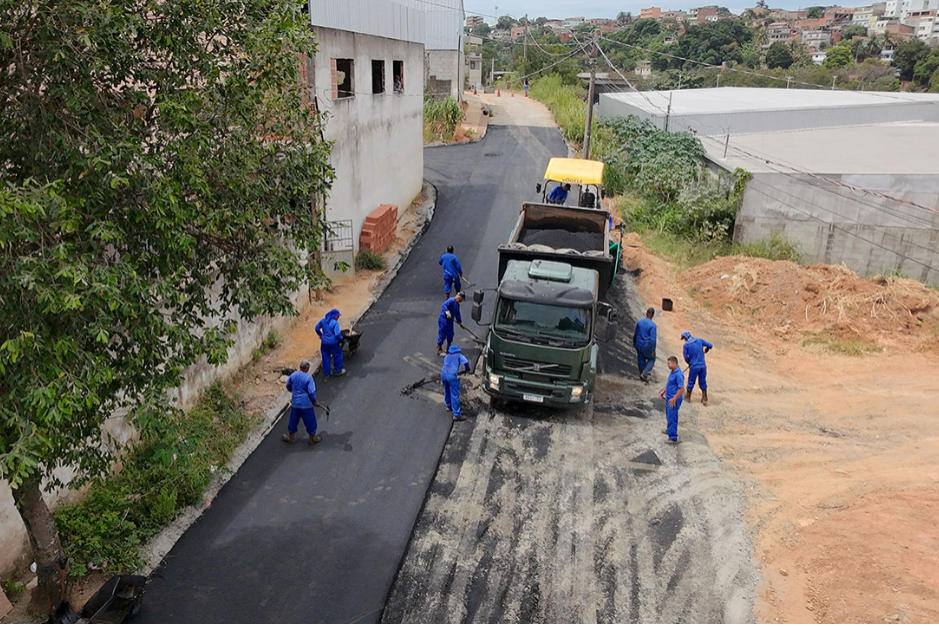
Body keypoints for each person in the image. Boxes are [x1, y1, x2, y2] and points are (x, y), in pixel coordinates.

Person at [282, 360, 327, 445]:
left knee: (293, 420)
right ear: (307, 368)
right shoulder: (308, 378)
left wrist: (293, 391)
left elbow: (288, 385)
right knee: (310, 421)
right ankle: (312, 438)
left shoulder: (293, 375)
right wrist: (314, 401)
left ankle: (290, 436)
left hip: (295, 403)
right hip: (306, 404)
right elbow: (311, 392)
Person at [681, 330, 714, 405]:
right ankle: (704, 397)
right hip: (703, 366)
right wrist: (707, 349)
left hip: (694, 366)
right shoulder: (699, 341)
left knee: (691, 381)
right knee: (702, 381)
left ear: (685, 337)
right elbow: (710, 345)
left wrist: (689, 362)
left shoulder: (686, 345)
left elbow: (686, 357)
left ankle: (688, 397)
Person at [440, 344, 471, 420]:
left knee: (447, 390)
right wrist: (467, 369)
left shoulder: (447, 356)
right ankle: (456, 414)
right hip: (452, 376)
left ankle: (448, 405)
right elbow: (466, 361)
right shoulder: (458, 355)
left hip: (443, 374)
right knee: (454, 394)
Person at [660, 356, 685, 444]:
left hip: (674, 399)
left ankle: (673, 437)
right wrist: (664, 391)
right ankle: (669, 429)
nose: (668, 365)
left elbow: (681, 389)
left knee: (672, 416)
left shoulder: (678, 374)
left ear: (674, 363)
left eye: (669, 363)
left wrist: (674, 398)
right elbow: (669, 383)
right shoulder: (672, 372)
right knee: (668, 414)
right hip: (669, 397)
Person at [315, 308, 345, 378]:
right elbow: (337, 334)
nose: (338, 317)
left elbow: (316, 328)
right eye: (338, 316)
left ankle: (326, 373)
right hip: (333, 343)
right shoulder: (335, 323)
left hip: (324, 343)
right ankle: (338, 371)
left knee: (325, 357)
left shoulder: (323, 321)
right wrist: (341, 338)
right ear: (335, 316)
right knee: (337, 355)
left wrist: (321, 335)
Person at [633, 307, 657, 382]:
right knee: (652, 359)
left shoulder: (640, 322)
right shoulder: (653, 325)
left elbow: (635, 334)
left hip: (639, 344)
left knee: (641, 359)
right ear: (652, 315)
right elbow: (652, 340)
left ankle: (641, 374)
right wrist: (653, 350)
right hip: (647, 346)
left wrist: (634, 343)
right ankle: (645, 374)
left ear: (646, 313)